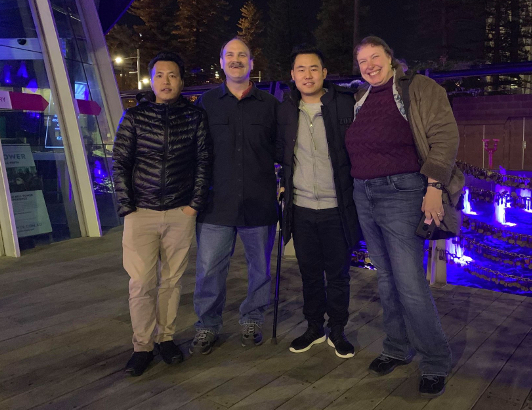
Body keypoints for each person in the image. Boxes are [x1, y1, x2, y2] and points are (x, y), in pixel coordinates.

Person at [345, 36, 464, 397]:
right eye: (362, 61)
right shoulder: (359, 98)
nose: (369, 65)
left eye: (375, 57)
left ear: (391, 57)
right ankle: (397, 347)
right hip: (363, 193)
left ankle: (434, 359)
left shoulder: (419, 88)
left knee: (410, 282)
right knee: (385, 279)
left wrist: (432, 186)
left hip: (403, 191)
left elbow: (444, 136)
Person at [113, 52, 211, 377]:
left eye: (172, 76)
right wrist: (127, 207)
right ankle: (141, 345)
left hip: (180, 212)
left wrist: (193, 204)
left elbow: (203, 163)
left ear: (181, 81)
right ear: (151, 81)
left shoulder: (195, 118)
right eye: (159, 76)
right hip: (140, 212)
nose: (165, 81)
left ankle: (165, 338)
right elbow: (120, 164)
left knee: (171, 281)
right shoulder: (135, 118)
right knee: (141, 283)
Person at [190, 37, 279, 354]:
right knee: (209, 271)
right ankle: (207, 326)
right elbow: (194, 151)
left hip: (260, 202)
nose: (237, 59)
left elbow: (284, 149)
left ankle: (252, 319)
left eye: (243, 55)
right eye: (230, 55)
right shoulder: (206, 103)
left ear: (252, 63)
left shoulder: (271, 105)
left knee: (260, 270)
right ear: (222, 62)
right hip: (216, 204)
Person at [276, 46, 359, 358]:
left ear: (324, 73)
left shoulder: (343, 104)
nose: (307, 75)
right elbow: (279, 151)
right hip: (301, 208)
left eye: (313, 69)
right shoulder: (285, 109)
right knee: (309, 274)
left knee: (338, 275)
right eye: (300, 69)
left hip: (336, 207)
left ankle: (337, 330)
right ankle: (314, 327)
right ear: (293, 75)